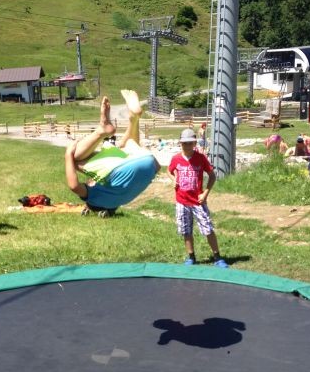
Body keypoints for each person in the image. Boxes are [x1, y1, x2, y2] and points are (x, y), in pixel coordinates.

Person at [64, 90, 160, 217]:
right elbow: (74, 186)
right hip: (125, 168)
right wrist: (67, 156)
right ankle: (102, 129)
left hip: (151, 165)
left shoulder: (118, 198)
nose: (90, 180)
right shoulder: (93, 197)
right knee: (75, 159)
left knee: (126, 145)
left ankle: (133, 118)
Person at [167, 128, 228, 268]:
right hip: (182, 201)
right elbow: (169, 170)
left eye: (190, 143)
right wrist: (173, 179)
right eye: (184, 143)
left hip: (197, 201)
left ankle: (217, 257)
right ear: (180, 144)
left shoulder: (201, 158)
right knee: (186, 230)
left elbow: (212, 176)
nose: (187, 146)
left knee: (207, 228)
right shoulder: (176, 159)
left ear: (194, 143)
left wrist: (205, 193)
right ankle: (191, 256)